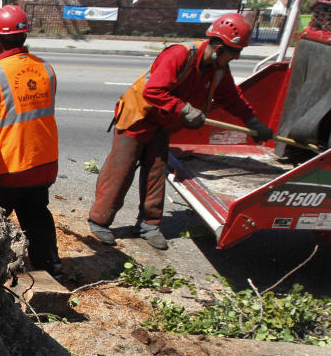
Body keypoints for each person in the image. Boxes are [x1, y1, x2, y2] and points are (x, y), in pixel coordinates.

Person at [88, 13, 274, 250]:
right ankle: (99, 221)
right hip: (139, 117)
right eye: (234, 52)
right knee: (120, 170)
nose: (236, 57)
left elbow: (232, 99)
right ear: (218, 48)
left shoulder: (218, 69)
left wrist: (254, 123)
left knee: (156, 172)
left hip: (163, 122)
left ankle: (149, 225)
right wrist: (185, 109)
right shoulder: (180, 54)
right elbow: (153, 91)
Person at [0, 5, 63, 279]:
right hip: (42, 166)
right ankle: (51, 269)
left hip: (6, 171)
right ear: (23, 37)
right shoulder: (46, 69)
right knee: (36, 215)